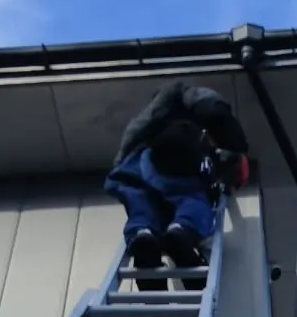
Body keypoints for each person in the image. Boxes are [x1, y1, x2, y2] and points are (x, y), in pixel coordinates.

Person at [105, 80, 249, 288]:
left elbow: (133, 133)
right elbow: (215, 113)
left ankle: (142, 234)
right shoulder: (192, 108)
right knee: (194, 202)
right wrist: (236, 149)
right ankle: (182, 229)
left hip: (141, 167)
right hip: (177, 168)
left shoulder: (152, 119)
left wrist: (120, 165)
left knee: (142, 208)